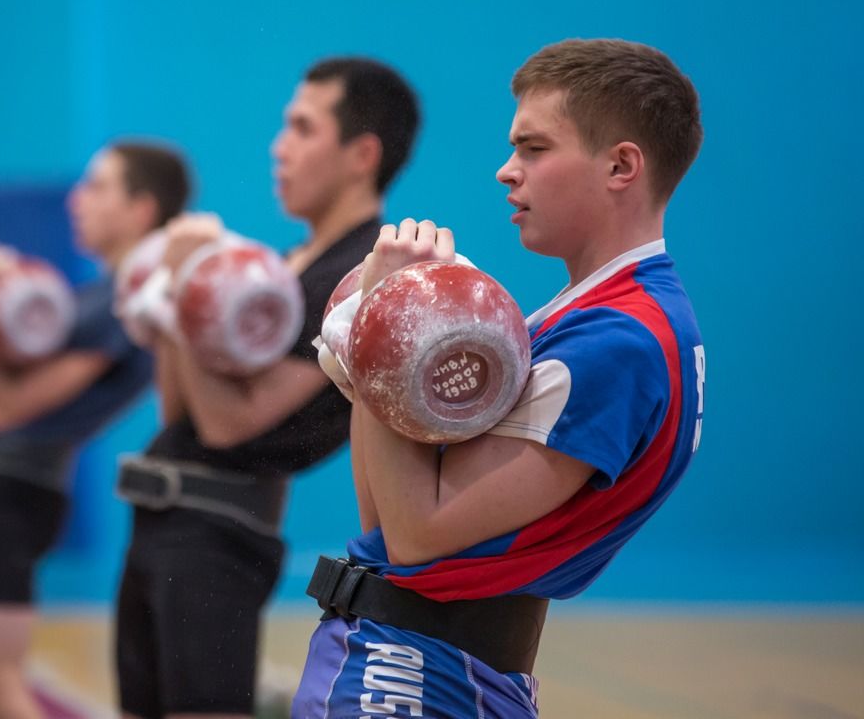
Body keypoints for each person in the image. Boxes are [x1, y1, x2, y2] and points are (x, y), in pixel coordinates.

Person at [293, 38, 706, 718]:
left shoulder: (621, 340)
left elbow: (416, 535)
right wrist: (383, 345)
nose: (505, 172)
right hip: (421, 665)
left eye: (534, 148)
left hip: (414, 676)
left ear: (621, 165)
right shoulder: (582, 315)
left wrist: (382, 323)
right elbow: (385, 517)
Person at [114, 57, 421, 718]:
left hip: (218, 536)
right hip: (163, 525)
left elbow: (231, 424)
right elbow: (181, 409)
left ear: (361, 154)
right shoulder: (283, 266)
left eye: (301, 129)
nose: (278, 148)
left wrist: (186, 279)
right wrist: (180, 301)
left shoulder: (355, 276)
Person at [0, 142, 191, 719]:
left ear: (140, 209)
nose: (77, 200)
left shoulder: (124, 303)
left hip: (16, 490)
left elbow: (4, 407)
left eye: (97, 187)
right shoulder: (100, 291)